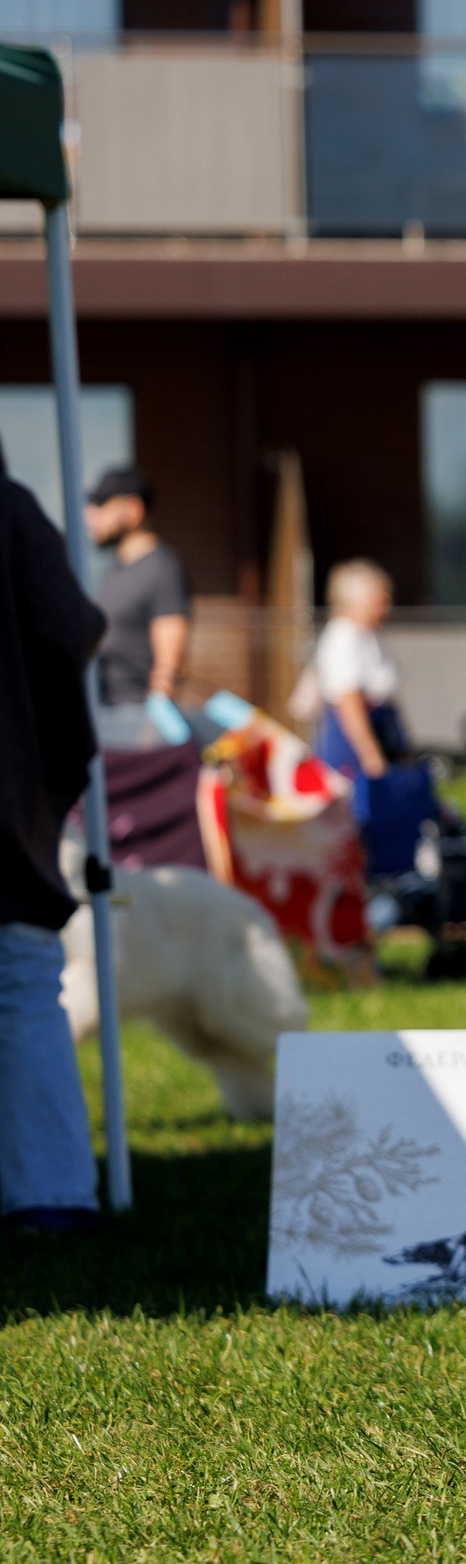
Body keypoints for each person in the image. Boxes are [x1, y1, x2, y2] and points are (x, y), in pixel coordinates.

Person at [0, 460, 108, 1232]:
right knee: (22, 980)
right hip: (6, 787)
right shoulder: (9, 509)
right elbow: (71, 627)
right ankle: (52, 1193)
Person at [82, 466, 192, 747]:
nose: (89, 516)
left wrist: (150, 731)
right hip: (105, 715)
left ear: (133, 509)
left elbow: (169, 662)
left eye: (102, 506)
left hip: (137, 722)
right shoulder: (112, 570)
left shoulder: (162, 569)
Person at [310, 559, 405, 782]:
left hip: (381, 727)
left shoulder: (368, 635)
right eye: (380, 598)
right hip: (353, 738)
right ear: (358, 601)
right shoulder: (344, 638)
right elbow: (348, 701)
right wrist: (370, 754)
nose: (387, 605)